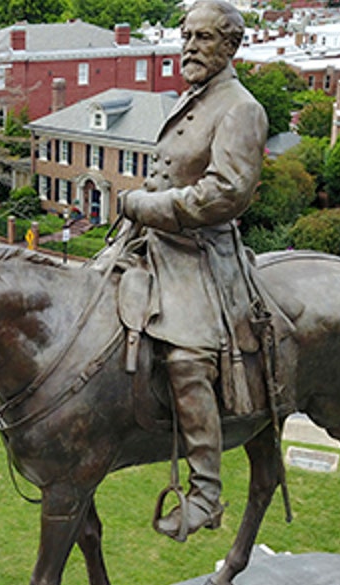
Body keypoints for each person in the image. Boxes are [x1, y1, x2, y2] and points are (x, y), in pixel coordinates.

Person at [119, 0, 268, 540]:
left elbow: (227, 193)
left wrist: (147, 206)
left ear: (230, 47)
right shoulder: (194, 99)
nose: (189, 48)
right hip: (149, 239)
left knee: (186, 359)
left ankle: (205, 492)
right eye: (186, 37)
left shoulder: (240, 108)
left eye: (203, 39)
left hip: (199, 253)